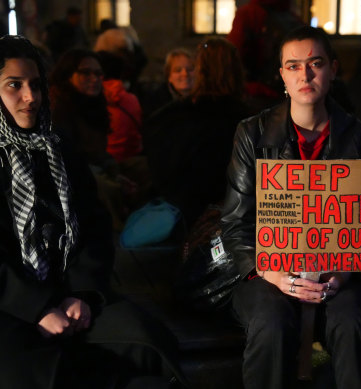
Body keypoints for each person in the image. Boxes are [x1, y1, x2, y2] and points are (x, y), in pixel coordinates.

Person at [0, 34, 189, 389]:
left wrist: (82, 292)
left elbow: (94, 224)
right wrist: (38, 308)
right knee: (32, 370)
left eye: (36, 85)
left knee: (148, 341)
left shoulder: (56, 147)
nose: (30, 97)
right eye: (14, 85)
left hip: (69, 291)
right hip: (12, 305)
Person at [221, 26, 361, 389]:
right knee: (270, 322)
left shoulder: (356, 135)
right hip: (267, 269)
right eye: (294, 65)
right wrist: (272, 273)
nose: (305, 75)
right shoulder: (252, 134)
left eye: (315, 63)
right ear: (282, 75)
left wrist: (342, 274)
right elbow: (235, 226)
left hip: (335, 268)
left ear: (332, 69)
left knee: (355, 321)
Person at [143, 37, 248, 225]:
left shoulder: (168, 117)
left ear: (200, 71)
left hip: (182, 210)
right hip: (229, 213)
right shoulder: (248, 119)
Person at [49, 49, 135, 231]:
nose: (94, 78)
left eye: (98, 73)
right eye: (85, 73)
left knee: (141, 168)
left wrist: (114, 170)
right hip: (67, 173)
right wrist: (110, 175)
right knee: (104, 187)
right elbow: (68, 158)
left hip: (94, 165)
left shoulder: (94, 105)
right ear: (68, 75)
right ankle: (118, 238)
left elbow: (99, 152)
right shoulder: (58, 107)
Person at [141, 48, 196, 119]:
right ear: (169, 76)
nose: (185, 74)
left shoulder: (206, 100)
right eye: (178, 70)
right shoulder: (154, 103)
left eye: (190, 69)